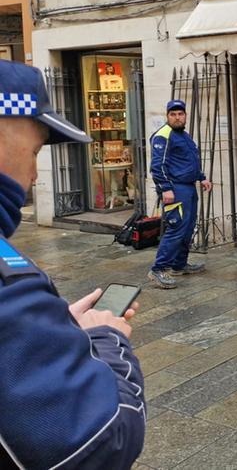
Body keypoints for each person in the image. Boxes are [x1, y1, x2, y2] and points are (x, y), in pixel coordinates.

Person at [0, 59, 145, 467]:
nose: (35, 174)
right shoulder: (9, 286)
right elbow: (102, 440)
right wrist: (107, 339)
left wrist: (49, 330)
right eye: (34, 151)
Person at [147, 99, 212, 289]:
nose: (177, 117)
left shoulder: (184, 135)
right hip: (175, 189)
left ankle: (179, 265)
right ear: (167, 116)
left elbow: (190, 160)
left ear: (185, 116)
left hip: (188, 188)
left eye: (180, 114)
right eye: (173, 114)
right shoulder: (163, 135)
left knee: (188, 227)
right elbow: (157, 166)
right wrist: (165, 188)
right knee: (176, 229)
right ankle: (158, 269)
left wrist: (201, 177)